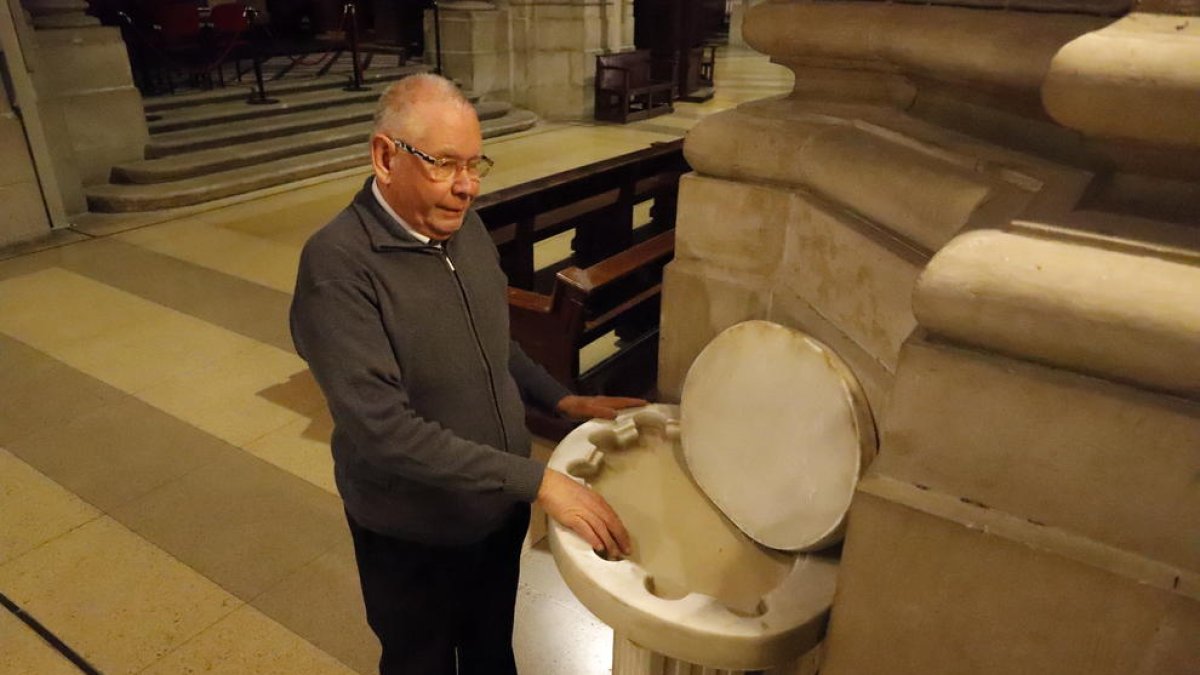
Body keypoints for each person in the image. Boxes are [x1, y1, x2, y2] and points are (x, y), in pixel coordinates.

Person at [289, 73, 643, 675]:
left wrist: (560, 402)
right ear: (384, 157)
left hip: (493, 510)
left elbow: (489, 338)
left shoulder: (462, 227)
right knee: (420, 661)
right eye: (445, 164)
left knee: (488, 651)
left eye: (476, 164)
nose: (468, 187)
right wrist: (538, 481)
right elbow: (383, 430)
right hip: (412, 531)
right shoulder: (338, 268)